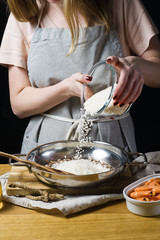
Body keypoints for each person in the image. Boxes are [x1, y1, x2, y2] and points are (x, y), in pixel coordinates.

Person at [0, 0, 160, 154]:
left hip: (113, 148)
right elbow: (18, 103)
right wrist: (66, 89)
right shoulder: (25, 12)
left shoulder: (120, 3)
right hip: (44, 148)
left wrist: (138, 65)